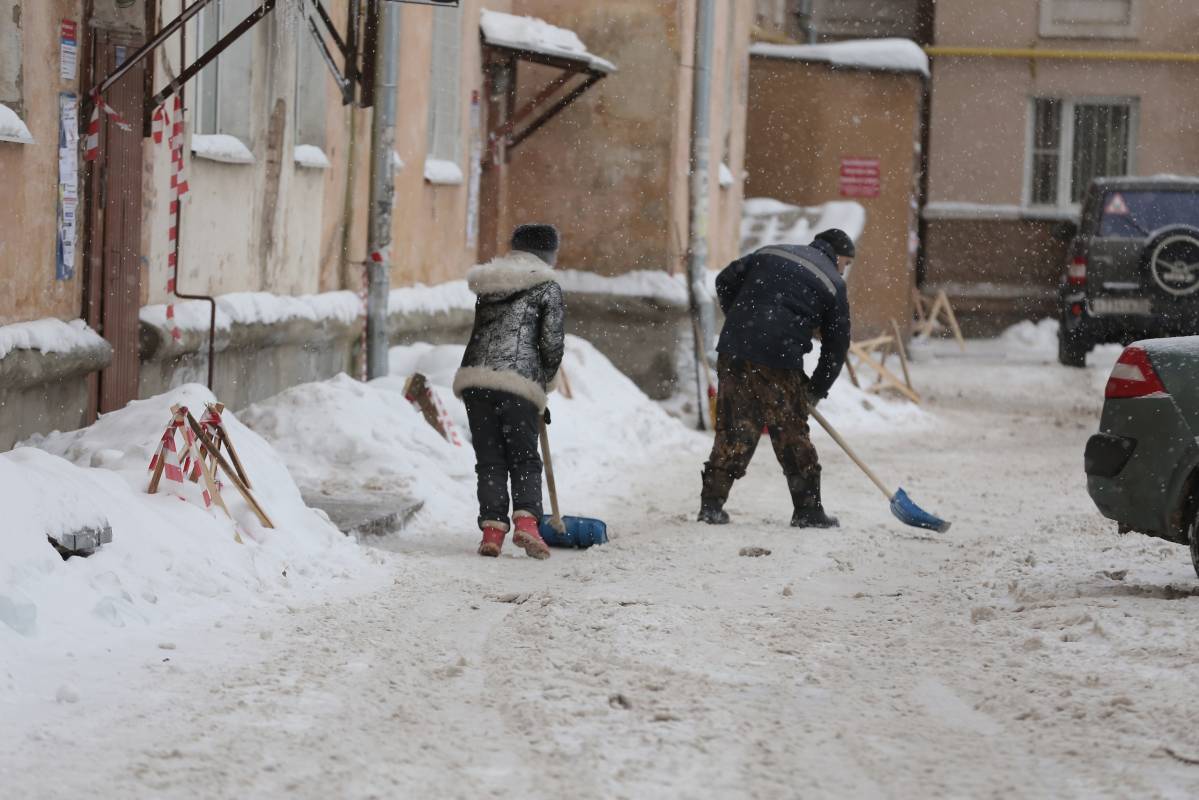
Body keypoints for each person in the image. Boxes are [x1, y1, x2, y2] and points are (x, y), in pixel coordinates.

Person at [698, 228, 855, 528]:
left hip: (735, 348)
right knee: (791, 431)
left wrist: (740, 318)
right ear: (837, 257)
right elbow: (837, 347)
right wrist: (816, 389)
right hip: (779, 357)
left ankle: (711, 506)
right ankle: (808, 510)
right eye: (846, 264)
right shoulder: (833, 283)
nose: (844, 271)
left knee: (733, 427)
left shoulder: (772, 251)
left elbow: (724, 280)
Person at [453, 224, 565, 559]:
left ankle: (492, 530)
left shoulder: (488, 284)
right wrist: (544, 383)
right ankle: (528, 524)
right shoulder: (548, 285)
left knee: (490, 459)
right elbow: (552, 344)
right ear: (548, 254)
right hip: (518, 383)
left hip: (476, 380)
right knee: (524, 457)